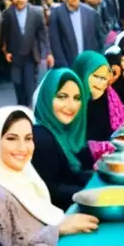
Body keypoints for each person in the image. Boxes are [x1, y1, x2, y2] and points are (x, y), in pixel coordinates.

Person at [0, 107, 98, 246]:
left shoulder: (22, 174)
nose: (23, 148)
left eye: (28, 139)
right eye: (11, 138)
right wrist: (55, 231)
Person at [30, 68, 93, 209]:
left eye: (77, 98)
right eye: (62, 96)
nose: (71, 106)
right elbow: (51, 191)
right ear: (47, 97)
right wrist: (93, 194)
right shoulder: (40, 137)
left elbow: (72, 176)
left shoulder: (65, 132)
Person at [1, 0, 51, 106]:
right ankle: (21, 105)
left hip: (31, 54)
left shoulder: (36, 12)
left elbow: (43, 33)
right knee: (17, 82)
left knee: (30, 85)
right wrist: (6, 51)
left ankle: (29, 108)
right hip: (15, 54)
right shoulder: (8, 13)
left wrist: (46, 52)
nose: (20, 0)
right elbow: (4, 34)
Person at [49, 0, 102, 69]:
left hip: (87, 62)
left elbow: (97, 39)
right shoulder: (57, 13)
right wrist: (61, 62)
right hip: (66, 62)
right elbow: (54, 40)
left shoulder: (90, 13)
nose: (74, 0)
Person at [74, 50, 121, 142]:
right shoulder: (71, 104)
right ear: (83, 73)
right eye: (96, 76)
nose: (102, 83)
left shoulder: (108, 99)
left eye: (104, 78)